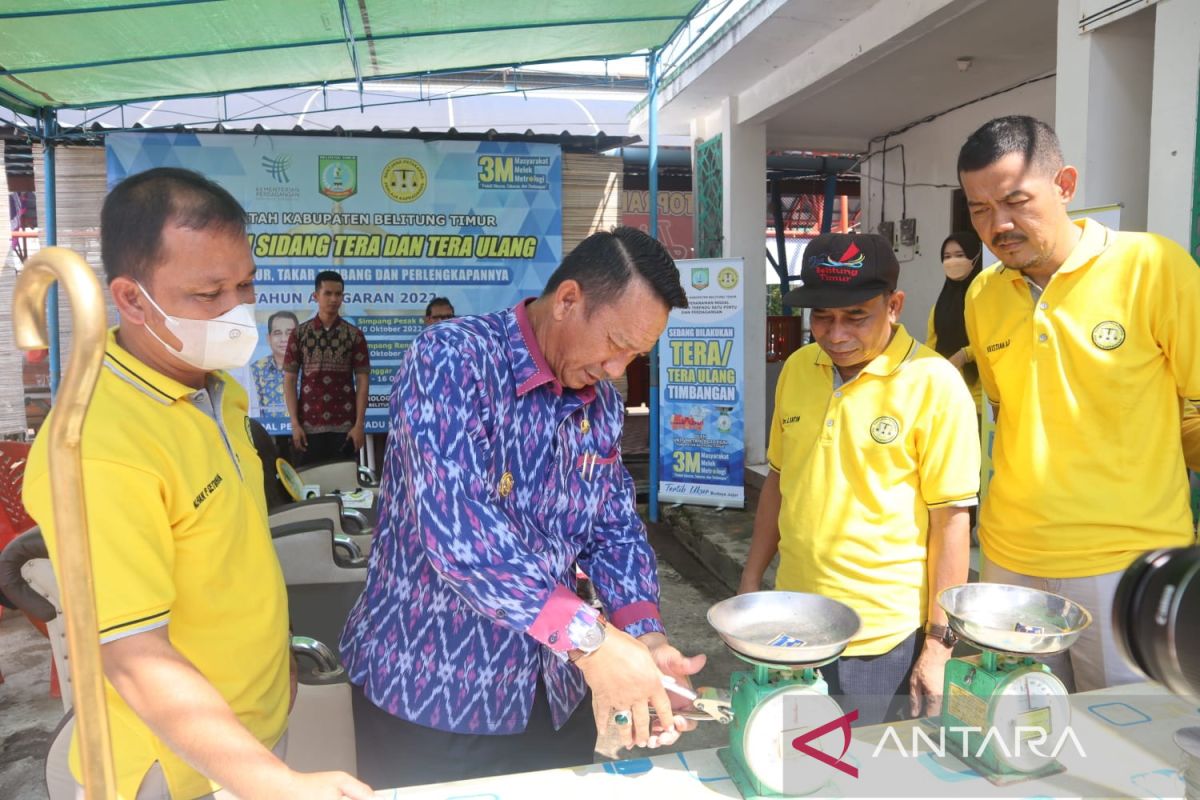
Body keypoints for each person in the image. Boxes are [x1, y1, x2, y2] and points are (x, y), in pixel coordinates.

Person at [22, 167, 372, 800]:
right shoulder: (99, 444)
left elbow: (229, 554)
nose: (237, 311)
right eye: (209, 294)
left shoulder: (213, 389)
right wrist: (270, 781)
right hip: (179, 768)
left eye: (245, 284)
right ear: (131, 299)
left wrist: (275, 663)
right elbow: (134, 656)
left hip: (251, 732)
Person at [339, 226, 706, 787]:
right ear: (567, 301)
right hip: (434, 693)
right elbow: (462, 535)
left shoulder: (599, 404)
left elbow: (613, 527)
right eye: (615, 343)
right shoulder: (452, 360)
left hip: (550, 693)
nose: (617, 370)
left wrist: (644, 633)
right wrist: (595, 644)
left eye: (636, 355)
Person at [959, 115, 1200, 692]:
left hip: (1127, 563)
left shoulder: (1153, 266)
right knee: (1022, 736)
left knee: (1131, 745)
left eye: (1016, 200)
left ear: (1064, 185)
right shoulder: (983, 295)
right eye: (979, 209)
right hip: (1010, 558)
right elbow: (1007, 411)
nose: (999, 225)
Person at [739, 233, 978, 726]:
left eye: (855, 317)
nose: (835, 333)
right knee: (792, 763)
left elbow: (950, 521)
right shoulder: (798, 368)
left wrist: (938, 644)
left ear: (894, 306)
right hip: (794, 622)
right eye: (822, 317)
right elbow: (780, 485)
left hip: (882, 638)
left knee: (871, 772)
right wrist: (749, 582)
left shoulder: (934, 384)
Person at [283, 271, 370, 465]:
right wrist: (295, 424)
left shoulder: (354, 335)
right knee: (312, 488)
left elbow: (363, 381)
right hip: (307, 429)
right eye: (328, 293)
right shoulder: (299, 334)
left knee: (346, 490)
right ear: (316, 296)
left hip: (345, 429)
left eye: (338, 294)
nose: (333, 299)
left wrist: (359, 425)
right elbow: (289, 379)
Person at [926, 231, 984, 413]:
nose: (952, 262)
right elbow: (931, 346)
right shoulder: (940, 305)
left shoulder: (986, 297)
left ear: (975, 258)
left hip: (981, 400)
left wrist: (965, 354)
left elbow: (994, 339)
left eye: (960, 255)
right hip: (948, 397)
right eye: (947, 257)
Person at [252, 309, 298, 410]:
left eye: (289, 333)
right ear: (269, 338)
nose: (284, 339)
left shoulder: (310, 368)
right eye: (277, 333)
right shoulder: (255, 370)